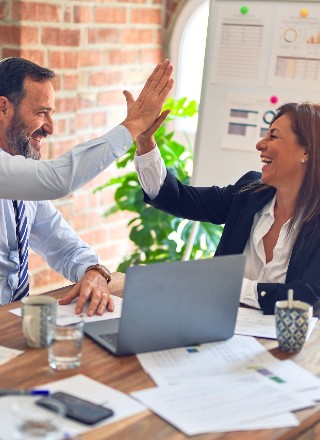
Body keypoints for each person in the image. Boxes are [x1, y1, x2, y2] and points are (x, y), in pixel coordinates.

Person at [0, 57, 173, 315]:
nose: (50, 127)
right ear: (3, 108)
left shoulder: (22, 181)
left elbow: (64, 246)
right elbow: (56, 179)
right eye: (40, 112)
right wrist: (133, 125)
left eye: (51, 113)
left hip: (12, 321)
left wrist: (93, 271)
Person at [134, 101, 320, 315]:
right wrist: (144, 139)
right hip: (221, 330)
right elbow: (177, 198)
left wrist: (229, 287)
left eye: (274, 136)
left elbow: (308, 298)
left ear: (306, 151)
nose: (260, 144)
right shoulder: (249, 193)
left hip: (290, 344)